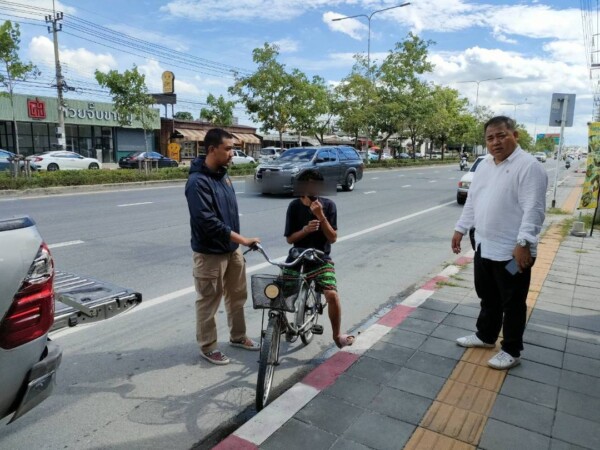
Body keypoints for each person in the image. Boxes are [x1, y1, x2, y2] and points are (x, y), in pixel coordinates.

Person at [451, 116, 548, 370]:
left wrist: (524, 243)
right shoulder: (484, 165)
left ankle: (511, 350)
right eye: (490, 138)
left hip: (513, 253)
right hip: (484, 246)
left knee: (512, 301)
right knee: (488, 295)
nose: (496, 142)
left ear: (515, 135)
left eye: (501, 135)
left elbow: (534, 209)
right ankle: (486, 336)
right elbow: (472, 201)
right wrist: (460, 228)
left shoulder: (529, 167)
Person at [185, 128, 261, 365]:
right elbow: (207, 221)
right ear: (211, 149)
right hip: (210, 254)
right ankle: (208, 347)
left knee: (237, 296)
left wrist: (236, 243)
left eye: (233, 149)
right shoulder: (197, 182)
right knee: (208, 301)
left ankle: (238, 336)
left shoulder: (223, 176)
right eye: (228, 149)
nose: (232, 154)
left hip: (231, 249)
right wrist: (242, 239)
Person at [284, 170, 354, 348]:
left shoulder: (328, 205)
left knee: (332, 295)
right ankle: (280, 324)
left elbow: (333, 238)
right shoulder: (294, 206)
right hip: (297, 256)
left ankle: (337, 336)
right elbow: (290, 239)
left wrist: (321, 216)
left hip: (321, 258)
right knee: (278, 292)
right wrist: (305, 230)